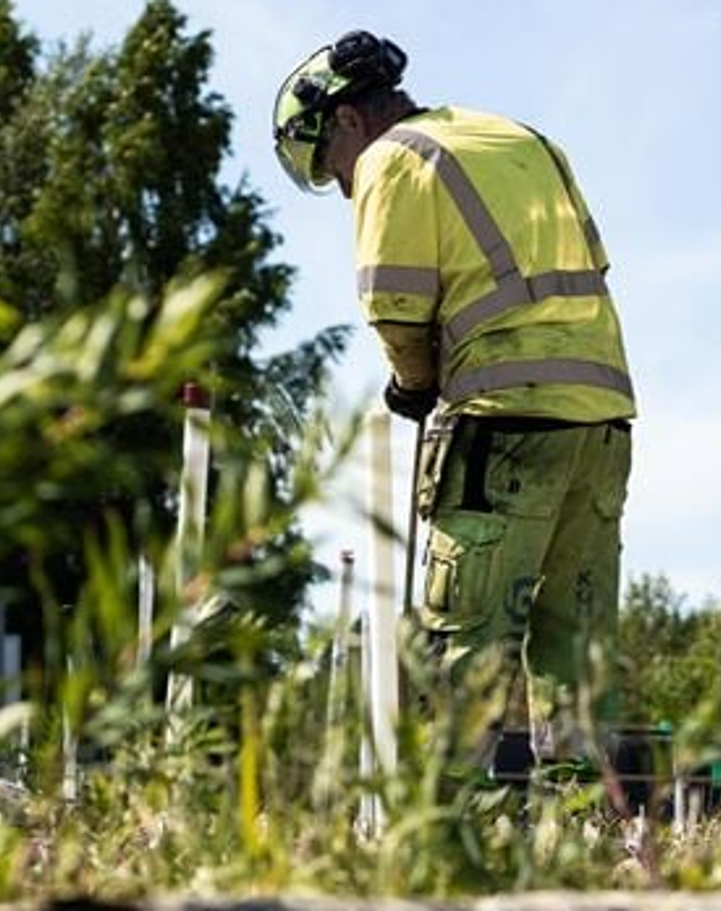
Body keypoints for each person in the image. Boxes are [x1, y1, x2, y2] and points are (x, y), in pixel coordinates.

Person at [272, 30, 636, 775]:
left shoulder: (392, 157)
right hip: (601, 413)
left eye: (328, 166)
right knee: (578, 644)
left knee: (465, 645)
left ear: (344, 120)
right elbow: (587, 266)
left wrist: (411, 383)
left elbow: (395, 304)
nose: (341, 184)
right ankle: (587, 830)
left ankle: (459, 839)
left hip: (502, 420)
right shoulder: (522, 138)